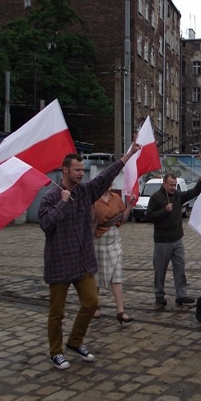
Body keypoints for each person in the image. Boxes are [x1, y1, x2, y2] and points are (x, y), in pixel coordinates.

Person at [38, 145, 139, 370]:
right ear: (65, 170)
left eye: (82, 170)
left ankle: (75, 342)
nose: (81, 173)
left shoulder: (84, 192)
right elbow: (45, 224)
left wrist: (129, 155)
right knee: (57, 312)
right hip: (60, 262)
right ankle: (56, 352)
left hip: (83, 260)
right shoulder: (51, 197)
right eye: (77, 170)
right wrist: (63, 202)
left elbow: (105, 176)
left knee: (91, 302)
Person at [147, 171, 201, 306]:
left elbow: (194, 192)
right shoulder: (156, 197)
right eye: (171, 185)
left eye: (175, 185)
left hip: (178, 238)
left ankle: (181, 294)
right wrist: (164, 211)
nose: (173, 188)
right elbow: (149, 216)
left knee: (180, 268)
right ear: (164, 184)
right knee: (160, 270)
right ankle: (159, 294)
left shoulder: (179, 196)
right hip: (162, 241)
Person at [93, 186, 134, 324]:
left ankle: (120, 311)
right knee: (96, 275)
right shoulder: (93, 199)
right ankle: (95, 305)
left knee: (117, 276)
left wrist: (129, 206)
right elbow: (90, 221)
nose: (109, 183)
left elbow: (122, 220)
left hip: (114, 240)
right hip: (99, 240)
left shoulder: (115, 198)